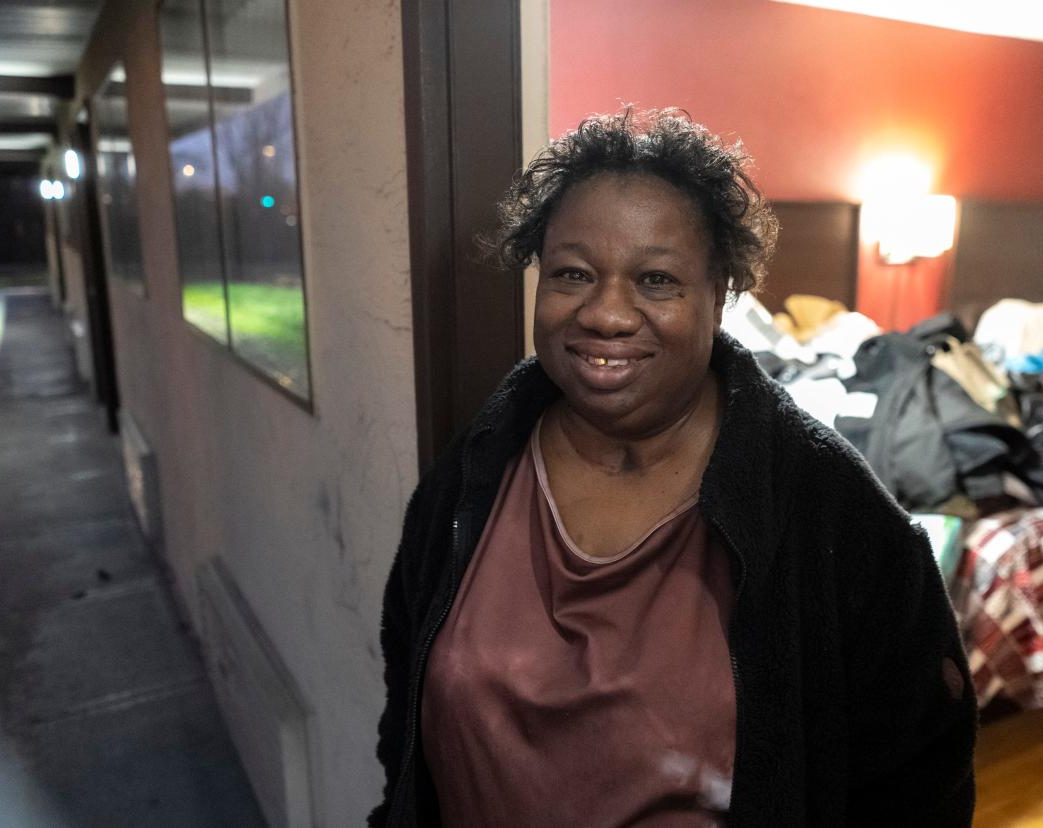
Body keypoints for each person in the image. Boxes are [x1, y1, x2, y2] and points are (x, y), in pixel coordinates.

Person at [369, 109, 976, 827]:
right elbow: (404, 720)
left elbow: (917, 784)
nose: (606, 314)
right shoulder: (470, 479)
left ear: (719, 294)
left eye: (656, 279)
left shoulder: (831, 512)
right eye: (572, 273)